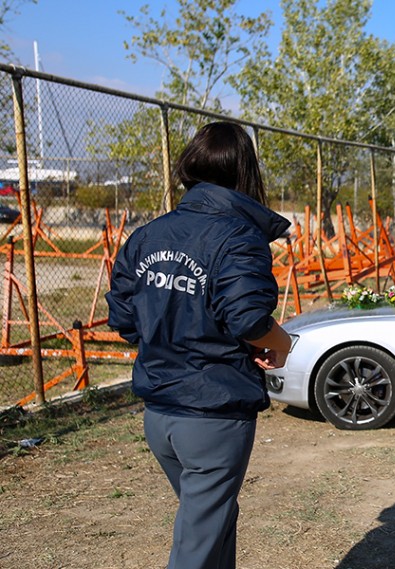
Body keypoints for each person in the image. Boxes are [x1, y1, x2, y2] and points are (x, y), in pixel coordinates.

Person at [106, 121, 292, 568]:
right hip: (211, 416)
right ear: (246, 173)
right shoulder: (237, 237)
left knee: (213, 522)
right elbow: (248, 318)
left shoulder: (148, 236)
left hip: (161, 415)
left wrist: (176, 333)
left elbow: (125, 319)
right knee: (197, 545)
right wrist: (279, 341)